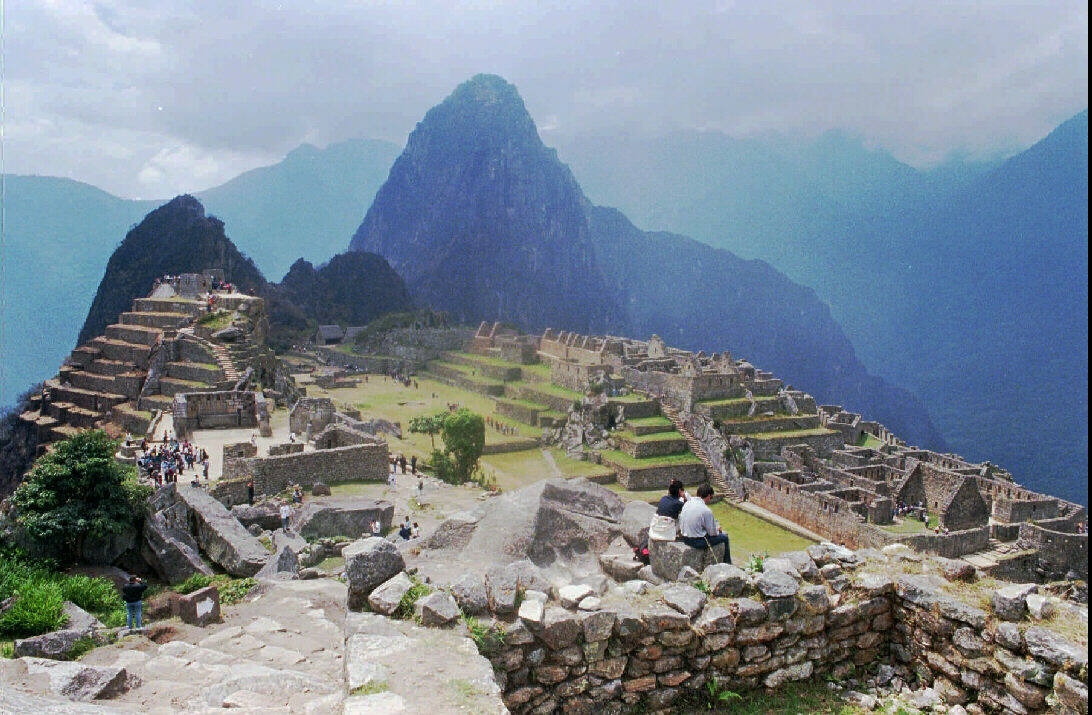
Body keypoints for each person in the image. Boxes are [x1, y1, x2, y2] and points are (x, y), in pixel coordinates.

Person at [677, 485, 732, 564]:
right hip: (696, 541)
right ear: (709, 496)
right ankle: (727, 563)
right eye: (711, 497)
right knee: (724, 537)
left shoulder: (687, 504)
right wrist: (718, 530)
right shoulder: (706, 510)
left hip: (685, 538)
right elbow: (712, 533)